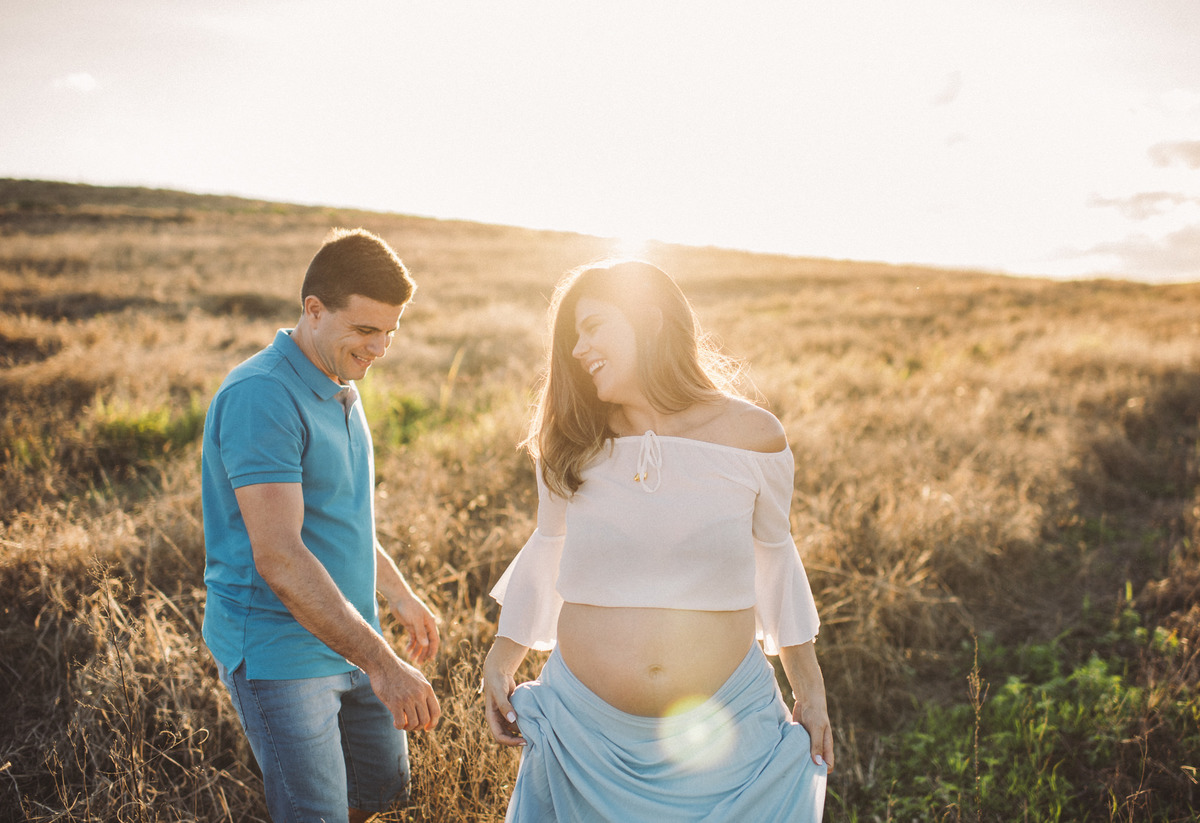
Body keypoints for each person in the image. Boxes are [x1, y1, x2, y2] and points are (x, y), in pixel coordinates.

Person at [482, 259, 834, 822]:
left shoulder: (754, 436)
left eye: (593, 325)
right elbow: (548, 547)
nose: (577, 348)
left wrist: (810, 692)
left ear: (646, 320)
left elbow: (776, 560)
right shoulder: (572, 441)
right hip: (584, 738)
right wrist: (502, 660)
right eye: (573, 335)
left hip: (726, 735)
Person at [201, 228, 441, 823]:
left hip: (353, 633)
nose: (380, 348)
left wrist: (402, 596)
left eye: (390, 331)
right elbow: (280, 555)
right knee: (316, 813)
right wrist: (385, 665)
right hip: (281, 653)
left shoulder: (340, 383)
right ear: (313, 310)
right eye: (365, 330)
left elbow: (343, 518)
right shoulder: (263, 395)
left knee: (384, 791)